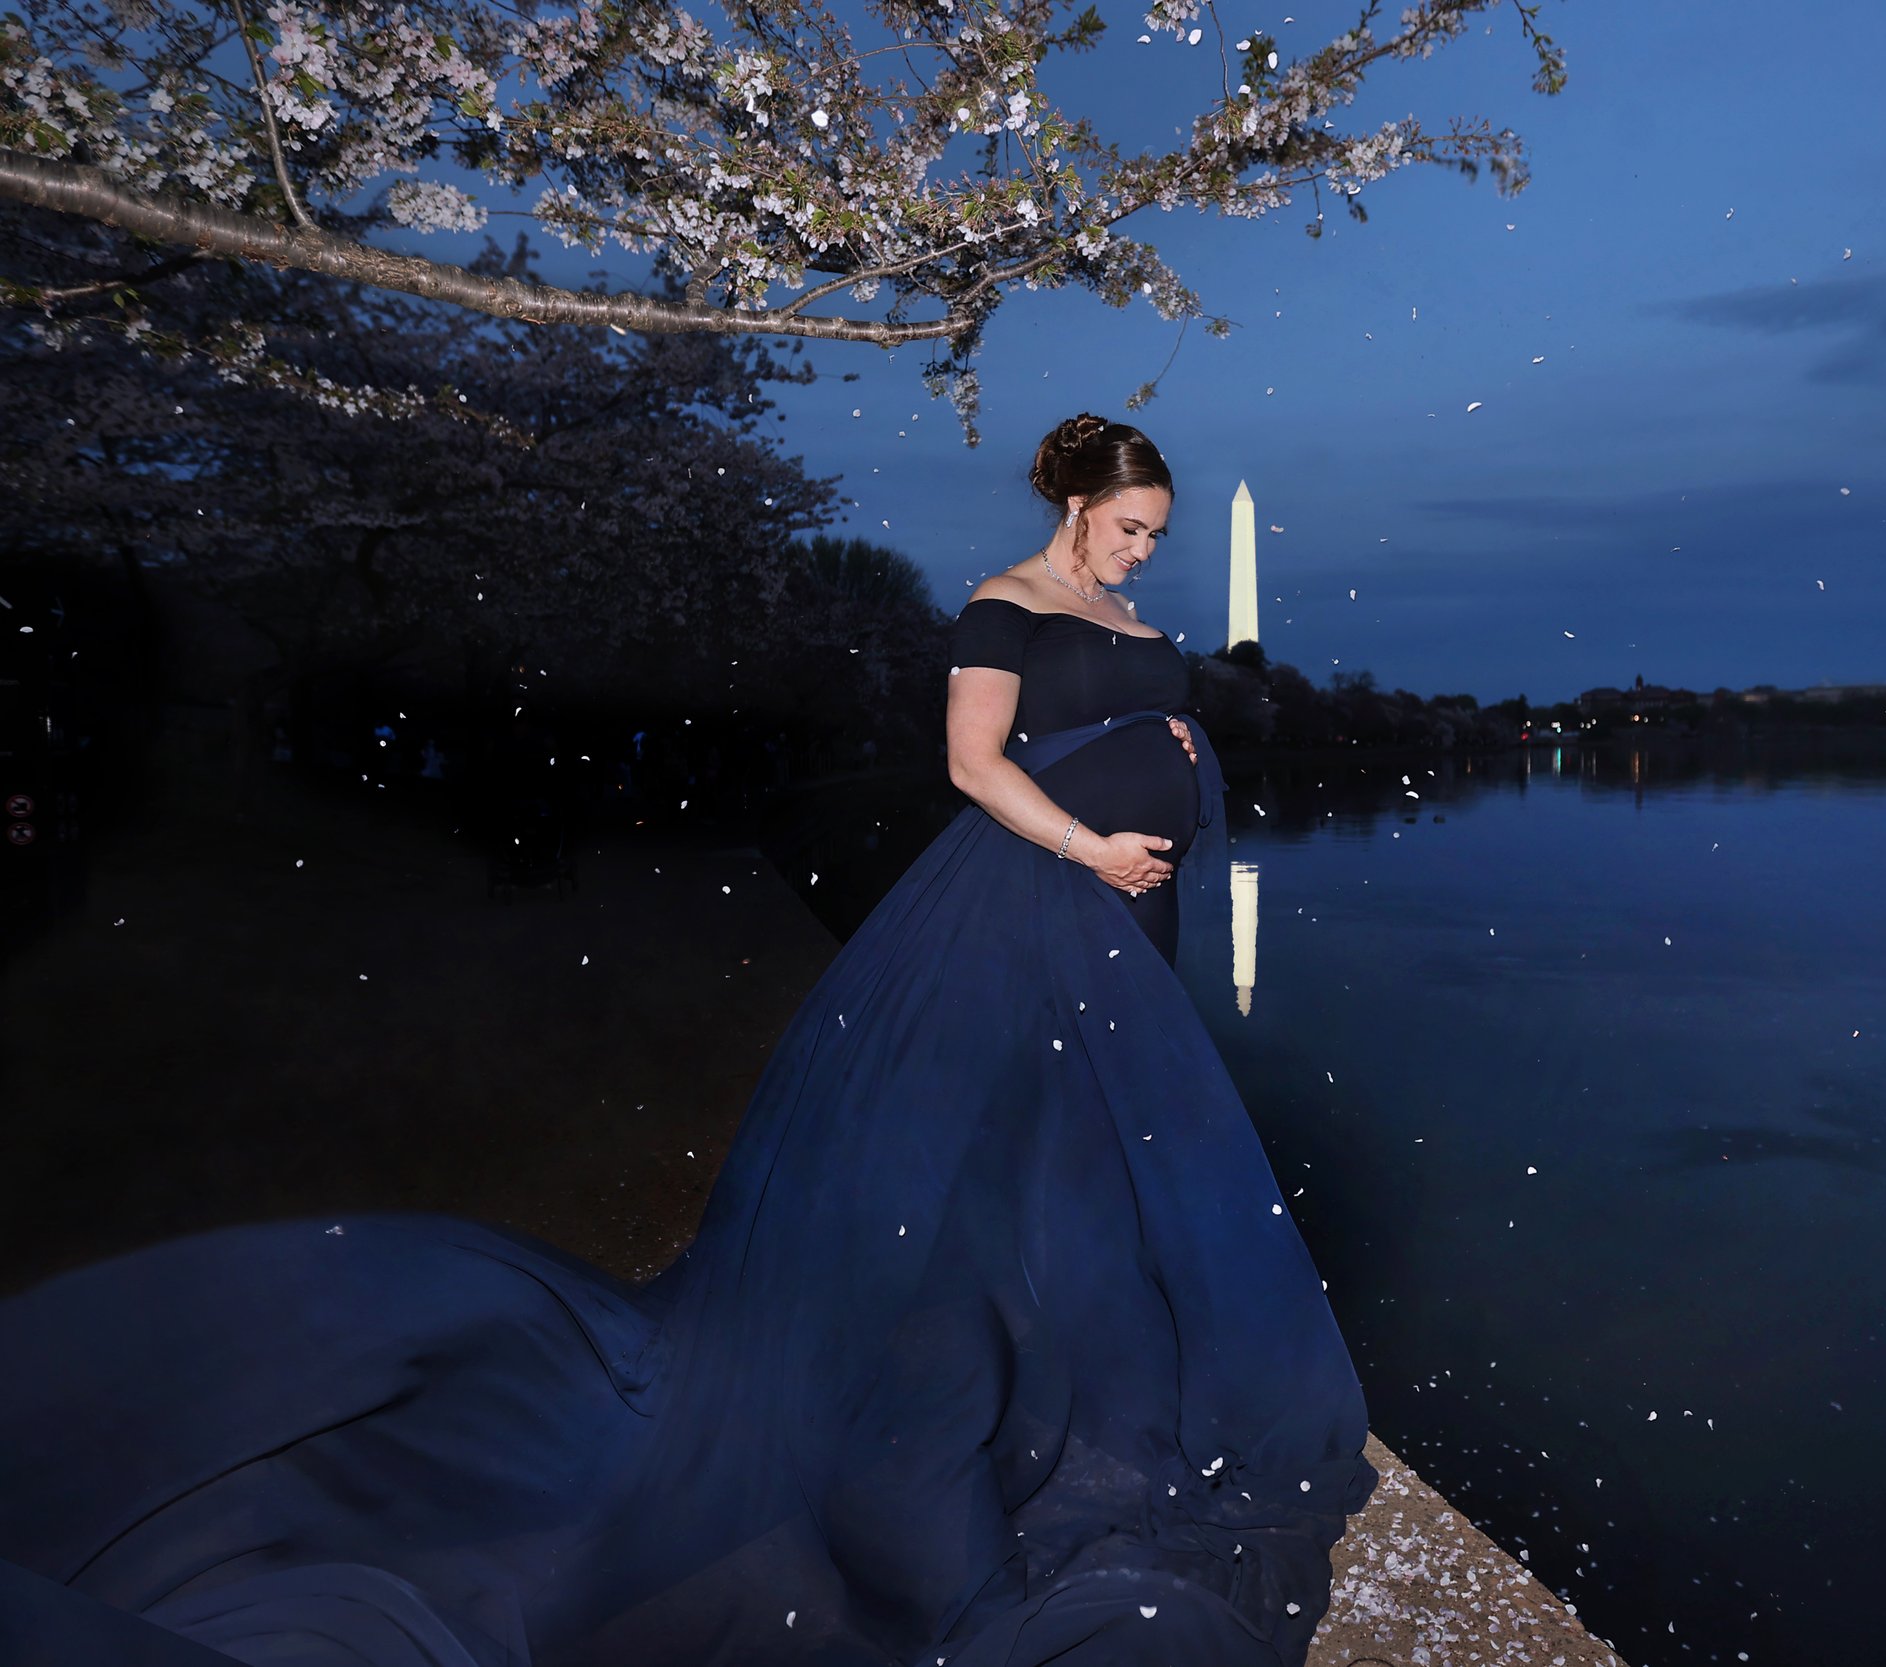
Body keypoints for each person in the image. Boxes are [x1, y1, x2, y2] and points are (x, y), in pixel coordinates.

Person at [0, 414, 1378, 1666]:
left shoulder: (1112, 609)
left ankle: (1093, 1321)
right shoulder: (1002, 605)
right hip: (1041, 894)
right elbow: (972, 764)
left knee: (1100, 1132)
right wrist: (1090, 842)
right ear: (1075, 504)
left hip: (1133, 912)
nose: (1144, 551)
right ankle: (993, 1355)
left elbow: (1147, 713)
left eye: (1157, 535)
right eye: (1130, 526)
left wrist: (1178, 758)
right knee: (1012, 1121)